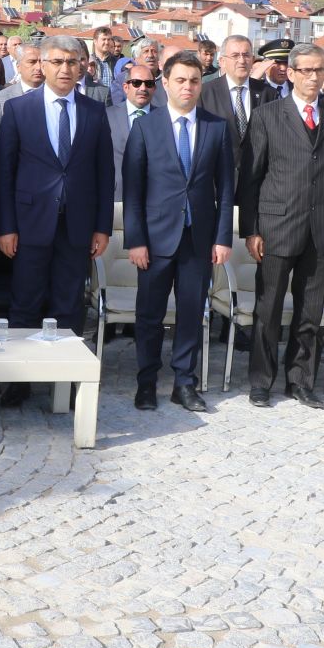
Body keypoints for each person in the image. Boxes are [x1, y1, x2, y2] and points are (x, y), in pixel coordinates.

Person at [0, 35, 114, 407]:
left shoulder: (94, 111)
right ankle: (19, 379)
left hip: (77, 226)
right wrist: (7, 226)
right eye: (58, 62)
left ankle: (65, 378)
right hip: (29, 223)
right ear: (41, 65)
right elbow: (5, 173)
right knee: (25, 303)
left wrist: (102, 226)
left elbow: (104, 173)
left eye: (73, 62)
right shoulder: (18, 109)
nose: (65, 69)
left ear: (82, 66)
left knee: (69, 304)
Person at [239, 43, 324, 409]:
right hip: (276, 228)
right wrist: (251, 229)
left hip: (320, 231)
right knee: (268, 309)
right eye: (305, 70)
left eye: (319, 70)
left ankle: (301, 380)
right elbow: (251, 179)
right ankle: (261, 381)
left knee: (310, 312)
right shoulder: (268, 116)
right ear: (290, 73)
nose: (312, 77)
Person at [123, 51, 233, 412]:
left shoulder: (217, 127)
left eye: (195, 80)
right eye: (181, 80)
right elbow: (133, 190)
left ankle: (184, 383)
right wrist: (136, 239)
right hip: (154, 241)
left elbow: (226, 188)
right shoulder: (145, 127)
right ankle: (146, 382)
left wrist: (222, 238)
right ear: (165, 83)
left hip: (198, 239)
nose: (188, 87)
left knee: (191, 314)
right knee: (150, 315)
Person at [199, 34, 276, 185]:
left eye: (246, 55)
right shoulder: (205, 92)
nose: (241, 60)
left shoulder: (268, 93)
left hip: (256, 185)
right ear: (222, 61)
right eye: (235, 55)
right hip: (217, 184)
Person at [106, 62, 159, 200]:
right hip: (117, 196)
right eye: (136, 83)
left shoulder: (165, 118)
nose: (143, 88)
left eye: (148, 84)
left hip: (156, 198)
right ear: (125, 87)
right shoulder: (107, 116)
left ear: (154, 88)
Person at [0, 37, 44, 141]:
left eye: (41, 62)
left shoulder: (57, 95)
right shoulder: (0, 99)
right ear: (18, 66)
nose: (38, 67)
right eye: (32, 62)